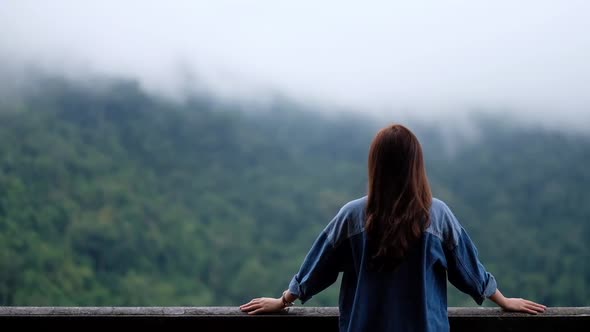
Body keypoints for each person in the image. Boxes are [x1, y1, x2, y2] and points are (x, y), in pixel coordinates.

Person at [240, 124, 546, 331]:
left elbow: (317, 268)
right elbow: (469, 270)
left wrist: (283, 301)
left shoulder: (351, 216)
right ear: (416, 165)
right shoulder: (437, 216)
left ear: (376, 164)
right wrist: (503, 301)